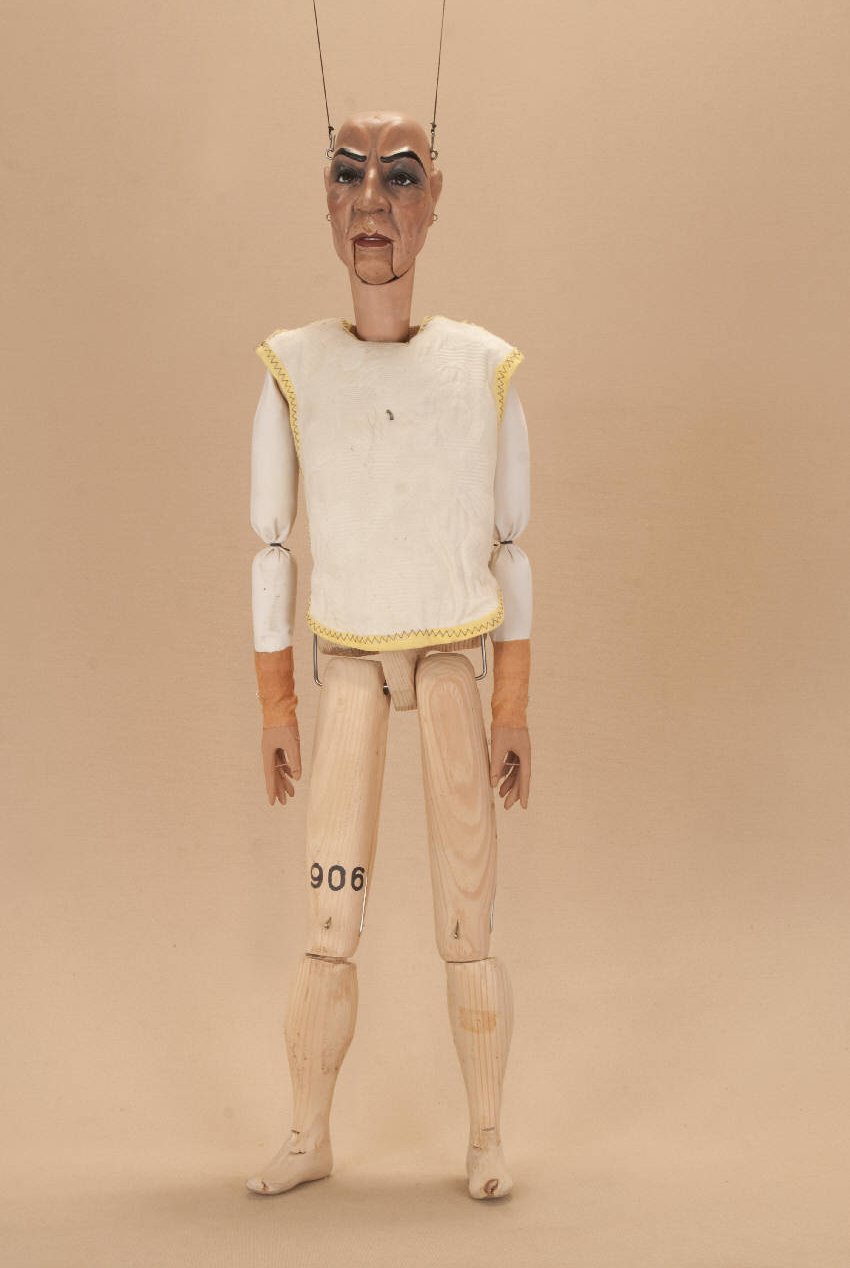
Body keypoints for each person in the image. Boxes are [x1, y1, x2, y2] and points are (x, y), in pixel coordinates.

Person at [246, 110, 532, 1200]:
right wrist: (278, 700)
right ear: (326, 198)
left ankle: (486, 1134)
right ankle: (308, 1128)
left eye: (400, 177)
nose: (373, 202)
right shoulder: (295, 368)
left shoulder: (482, 368)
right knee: (330, 921)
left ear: (434, 196)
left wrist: (513, 701)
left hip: (453, 650)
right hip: (351, 659)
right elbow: (273, 544)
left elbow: (511, 545)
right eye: (349, 175)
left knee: (468, 922)